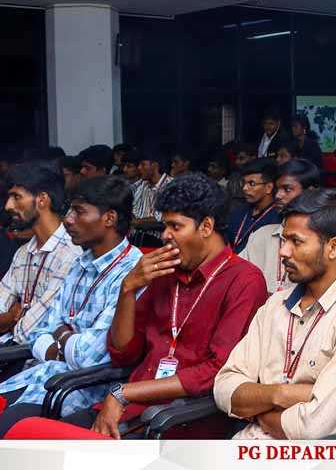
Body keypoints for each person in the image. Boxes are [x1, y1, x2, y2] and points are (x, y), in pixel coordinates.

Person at [55, 173, 268, 438]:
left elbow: (217, 371)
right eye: (165, 225)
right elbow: (123, 353)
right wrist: (127, 289)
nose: (165, 235)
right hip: (131, 408)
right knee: (41, 438)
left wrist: (124, 393)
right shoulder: (165, 271)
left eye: (175, 226)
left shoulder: (244, 280)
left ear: (206, 226)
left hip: (181, 418)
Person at [215, 189, 336, 439]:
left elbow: (311, 427)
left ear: (334, 248)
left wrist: (255, 408)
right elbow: (223, 388)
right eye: (284, 240)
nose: (283, 252)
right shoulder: (275, 305)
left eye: (296, 241)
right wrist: (280, 394)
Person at [0, 176, 140, 436]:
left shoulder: (132, 272)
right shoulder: (80, 263)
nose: (68, 219)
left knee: (7, 429)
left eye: (79, 211)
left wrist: (60, 335)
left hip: (79, 390)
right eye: (69, 210)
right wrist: (65, 343)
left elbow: (90, 357)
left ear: (109, 218)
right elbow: (38, 332)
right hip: (40, 377)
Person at [0, 163, 81, 368]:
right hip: (10, 353)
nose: (8, 206)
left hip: (33, 363)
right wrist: (10, 317)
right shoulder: (23, 252)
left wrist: (11, 321)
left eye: (17, 197)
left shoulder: (71, 253)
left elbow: (28, 333)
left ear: (42, 199)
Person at [240, 160, 322, 294]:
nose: (278, 195)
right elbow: (236, 278)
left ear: (310, 192)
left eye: (287, 189)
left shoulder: (322, 239)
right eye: (277, 189)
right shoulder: (261, 236)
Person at [226, 158, 281, 254]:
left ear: (268, 187)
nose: (245, 188)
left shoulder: (277, 219)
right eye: (244, 183)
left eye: (252, 184)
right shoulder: (238, 211)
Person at [131, 151, 173, 243]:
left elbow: (165, 221)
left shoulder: (171, 186)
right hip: (137, 241)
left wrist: (137, 222)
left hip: (160, 242)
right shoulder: (140, 185)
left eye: (143, 164)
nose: (139, 168)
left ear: (155, 165)